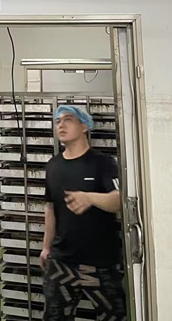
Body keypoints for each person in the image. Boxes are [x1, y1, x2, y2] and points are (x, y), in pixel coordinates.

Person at [39, 104, 127, 321]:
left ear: (85, 126)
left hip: (101, 263)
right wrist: (46, 247)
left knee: (114, 316)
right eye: (57, 121)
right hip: (62, 262)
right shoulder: (53, 165)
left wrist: (89, 198)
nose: (61, 125)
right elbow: (50, 208)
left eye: (68, 119)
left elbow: (119, 200)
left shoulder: (102, 163)